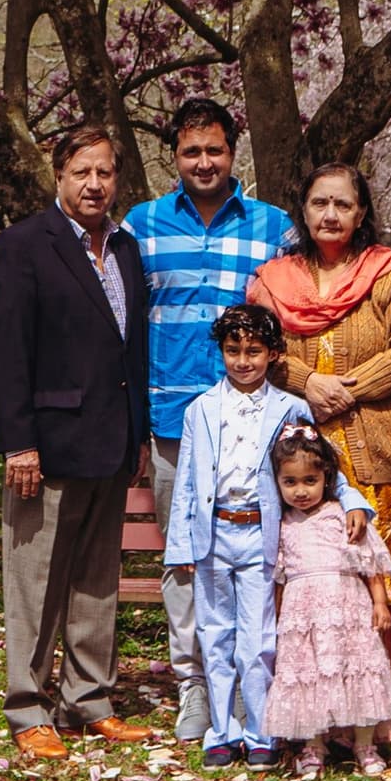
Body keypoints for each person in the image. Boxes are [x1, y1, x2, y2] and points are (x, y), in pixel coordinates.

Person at [0, 122, 156, 761]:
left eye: (105, 172)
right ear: (59, 174)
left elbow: (128, 348)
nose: (94, 183)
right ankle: (28, 706)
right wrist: (18, 443)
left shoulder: (127, 250)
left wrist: (136, 431)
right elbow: (4, 352)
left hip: (110, 442)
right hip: (45, 448)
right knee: (35, 581)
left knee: (96, 579)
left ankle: (89, 700)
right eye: (82, 171)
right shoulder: (24, 245)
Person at [124, 98, 296, 739]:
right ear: (175, 155)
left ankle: (256, 683)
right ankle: (194, 686)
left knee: (261, 558)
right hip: (172, 419)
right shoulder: (140, 227)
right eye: (192, 151)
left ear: (233, 153)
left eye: (215, 151)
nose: (204, 162)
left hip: (254, 421)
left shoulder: (273, 226)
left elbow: (297, 314)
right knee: (185, 558)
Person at [249, 158, 391, 692]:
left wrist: (341, 388)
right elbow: (261, 353)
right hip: (303, 469)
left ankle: (382, 703)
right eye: (319, 203)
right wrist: (307, 382)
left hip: (384, 454)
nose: (330, 214)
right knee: (314, 586)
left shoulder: (387, 272)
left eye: (342, 204)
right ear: (302, 211)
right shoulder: (272, 283)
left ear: (362, 212)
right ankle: (318, 705)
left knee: (381, 585)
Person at [160, 304, 338, 770]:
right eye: (234, 350)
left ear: (272, 354)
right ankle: (222, 731)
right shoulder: (201, 410)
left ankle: (261, 731)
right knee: (215, 634)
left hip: (261, 534)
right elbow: (187, 483)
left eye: (254, 351)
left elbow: (318, 468)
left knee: (259, 638)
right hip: (213, 534)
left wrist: (351, 503)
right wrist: (181, 544)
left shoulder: (291, 409)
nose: (243, 361)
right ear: (221, 352)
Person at [264, 428, 391, 780]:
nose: (300, 491)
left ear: (327, 477)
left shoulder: (341, 514)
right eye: (290, 482)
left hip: (348, 610)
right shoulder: (281, 523)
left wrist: (380, 603)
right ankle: (314, 744)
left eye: (310, 480)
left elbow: (368, 564)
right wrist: (280, 616)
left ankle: (364, 743)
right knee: (309, 674)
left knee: (358, 671)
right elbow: (280, 578)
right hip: (305, 616)